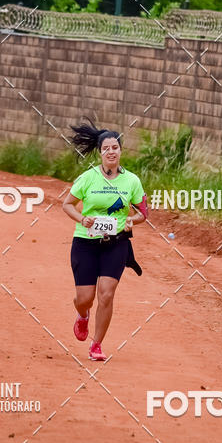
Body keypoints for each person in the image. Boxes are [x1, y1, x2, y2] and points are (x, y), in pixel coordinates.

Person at [62, 119, 148, 361]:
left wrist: (134, 220)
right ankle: (82, 315)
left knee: (107, 294)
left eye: (115, 148)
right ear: (100, 153)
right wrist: (82, 219)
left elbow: (143, 212)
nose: (111, 152)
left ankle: (97, 345)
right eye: (106, 148)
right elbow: (66, 205)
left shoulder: (131, 181)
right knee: (85, 298)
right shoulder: (88, 178)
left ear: (121, 151)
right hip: (85, 243)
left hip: (116, 243)